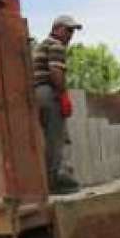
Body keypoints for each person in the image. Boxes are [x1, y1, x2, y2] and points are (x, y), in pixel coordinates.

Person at [33, 15, 82, 194]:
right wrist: (63, 96)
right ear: (56, 29)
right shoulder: (56, 45)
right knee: (57, 139)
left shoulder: (43, 44)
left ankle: (49, 182)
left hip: (38, 94)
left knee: (49, 139)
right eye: (68, 30)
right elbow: (55, 72)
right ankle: (58, 184)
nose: (71, 35)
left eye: (73, 31)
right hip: (48, 93)